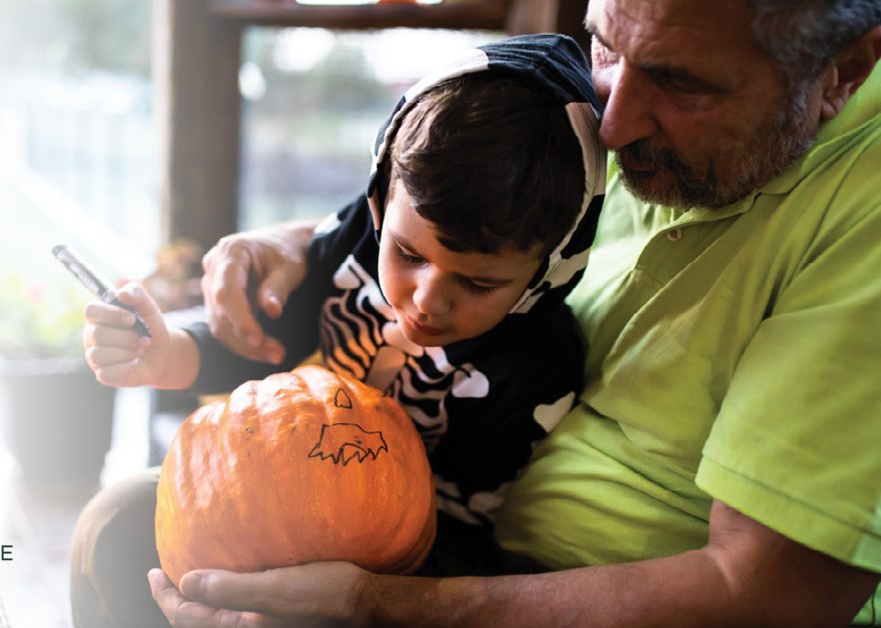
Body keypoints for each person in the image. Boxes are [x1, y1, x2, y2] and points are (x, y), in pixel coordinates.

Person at [134, 0, 881, 626]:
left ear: (841, 71)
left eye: (679, 83)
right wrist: (305, 243)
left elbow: (766, 594)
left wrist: (374, 604)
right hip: (415, 509)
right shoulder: (634, 122)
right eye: (607, 44)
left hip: (556, 589)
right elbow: (454, 217)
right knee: (125, 532)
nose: (611, 122)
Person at [72, 34, 607, 627]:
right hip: (266, 496)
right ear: (380, 200)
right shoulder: (356, 238)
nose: (426, 299)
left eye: (479, 284)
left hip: (393, 561)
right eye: (407, 253)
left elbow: (462, 529)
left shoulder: (537, 365)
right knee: (113, 521)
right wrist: (173, 351)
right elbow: (264, 345)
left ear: (548, 270)